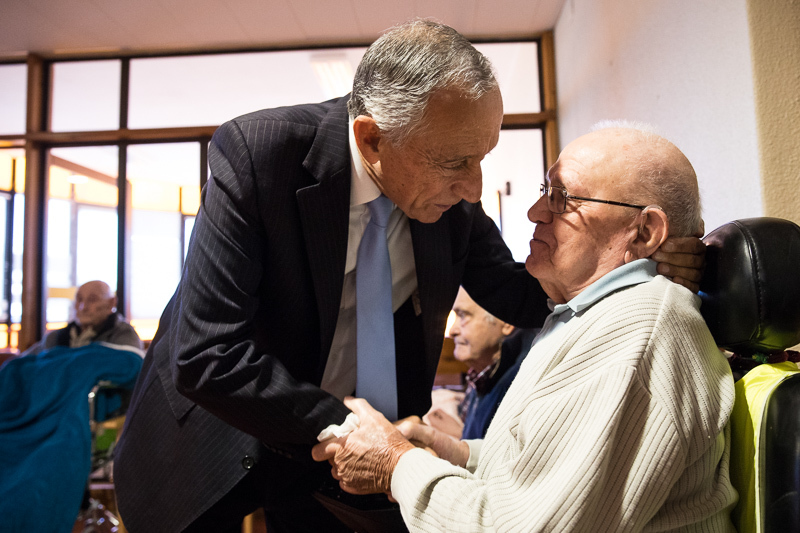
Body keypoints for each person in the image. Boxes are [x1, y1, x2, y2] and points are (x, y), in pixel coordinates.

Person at [113, 19, 705, 533]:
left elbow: (527, 294)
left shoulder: (450, 197)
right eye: (456, 164)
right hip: (217, 432)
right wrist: (360, 435)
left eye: (483, 157)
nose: (475, 189)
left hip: (353, 457)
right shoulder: (259, 153)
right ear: (373, 139)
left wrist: (652, 263)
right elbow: (208, 353)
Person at [313, 123, 737, 532]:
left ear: (644, 232)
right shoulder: (591, 315)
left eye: (562, 198)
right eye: (543, 192)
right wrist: (457, 453)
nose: (535, 212)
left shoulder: (636, 333)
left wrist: (396, 463)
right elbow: (545, 476)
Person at [424, 287, 537, 439]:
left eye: (463, 315)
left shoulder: (520, 385)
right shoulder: (483, 373)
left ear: (505, 323)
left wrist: (460, 439)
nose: (452, 331)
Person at [22, 280, 142, 355]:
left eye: (92, 300)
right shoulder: (56, 337)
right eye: (79, 299)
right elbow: (23, 363)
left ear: (111, 303)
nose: (83, 307)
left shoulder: (124, 336)